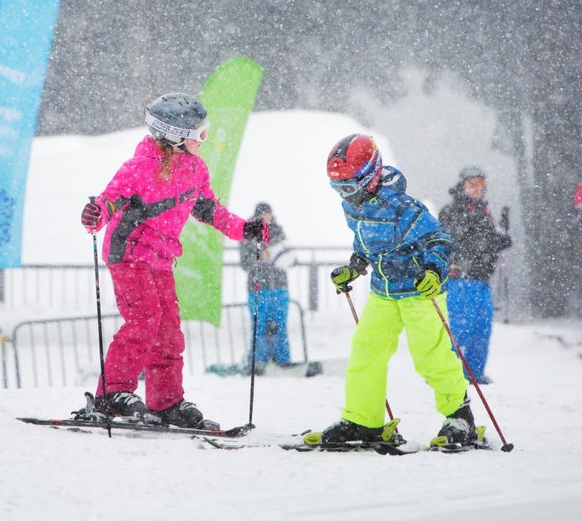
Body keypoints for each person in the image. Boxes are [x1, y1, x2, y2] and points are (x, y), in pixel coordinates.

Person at [77, 92, 267, 429]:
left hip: (161, 260)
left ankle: (166, 402)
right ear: (177, 136)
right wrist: (95, 215)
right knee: (144, 318)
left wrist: (245, 230)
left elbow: (211, 210)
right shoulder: (138, 168)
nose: (204, 139)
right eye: (200, 133)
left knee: (167, 331)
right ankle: (111, 393)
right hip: (129, 256)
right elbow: (107, 204)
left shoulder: (195, 169)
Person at [314, 134, 477, 446]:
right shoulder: (354, 208)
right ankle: (364, 420)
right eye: (337, 188)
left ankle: (460, 415)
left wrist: (433, 269)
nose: (344, 195)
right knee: (366, 351)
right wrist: (354, 267)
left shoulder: (403, 208)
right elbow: (366, 245)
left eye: (349, 186)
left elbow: (439, 239)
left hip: (419, 290)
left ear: (371, 176)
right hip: (383, 291)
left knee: (429, 354)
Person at [437, 165, 512, 384]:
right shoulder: (453, 211)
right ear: (462, 186)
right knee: (459, 329)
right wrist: (487, 238)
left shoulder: (483, 212)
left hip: (481, 280)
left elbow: (488, 244)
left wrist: (502, 236)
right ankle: (446, 373)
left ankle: (473, 373)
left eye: (481, 185)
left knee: (481, 330)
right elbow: (461, 241)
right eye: (472, 185)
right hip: (461, 279)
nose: (478, 189)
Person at [239, 202, 295, 374]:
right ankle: (258, 361)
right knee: (259, 325)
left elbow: (287, 255)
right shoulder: (247, 232)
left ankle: (282, 359)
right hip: (258, 288)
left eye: (268, 214)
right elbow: (245, 262)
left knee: (280, 323)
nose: (266, 218)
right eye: (263, 215)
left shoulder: (278, 231)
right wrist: (259, 257)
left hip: (279, 286)